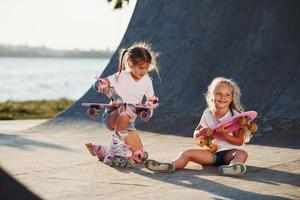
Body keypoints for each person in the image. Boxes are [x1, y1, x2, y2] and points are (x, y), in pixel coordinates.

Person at [145, 77, 252, 176]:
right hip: (212, 154)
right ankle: (170, 165)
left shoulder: (236, 115)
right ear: (212, 95)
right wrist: (203, 131)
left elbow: (239, 141)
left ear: (232, 98)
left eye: (227, 94)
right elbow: (196, 134)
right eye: (219, 93)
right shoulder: (208, 113)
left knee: (242, 154)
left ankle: (234, 167)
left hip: (230, 153)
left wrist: (225, 135)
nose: (223, 97)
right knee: (186, 153)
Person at [86, 42, 159, 168]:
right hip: (113, 117)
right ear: (131, 64)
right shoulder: (121, 76)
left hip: (129, 123)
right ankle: (116, 147)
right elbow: (98, 83)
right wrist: (106, 89)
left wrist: (147, 108)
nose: (144, 71)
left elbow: (152, 99)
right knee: (128, 107)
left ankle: (103, 151)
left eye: (146, 68)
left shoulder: (147, 80)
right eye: (141, 68)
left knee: (140, 156)